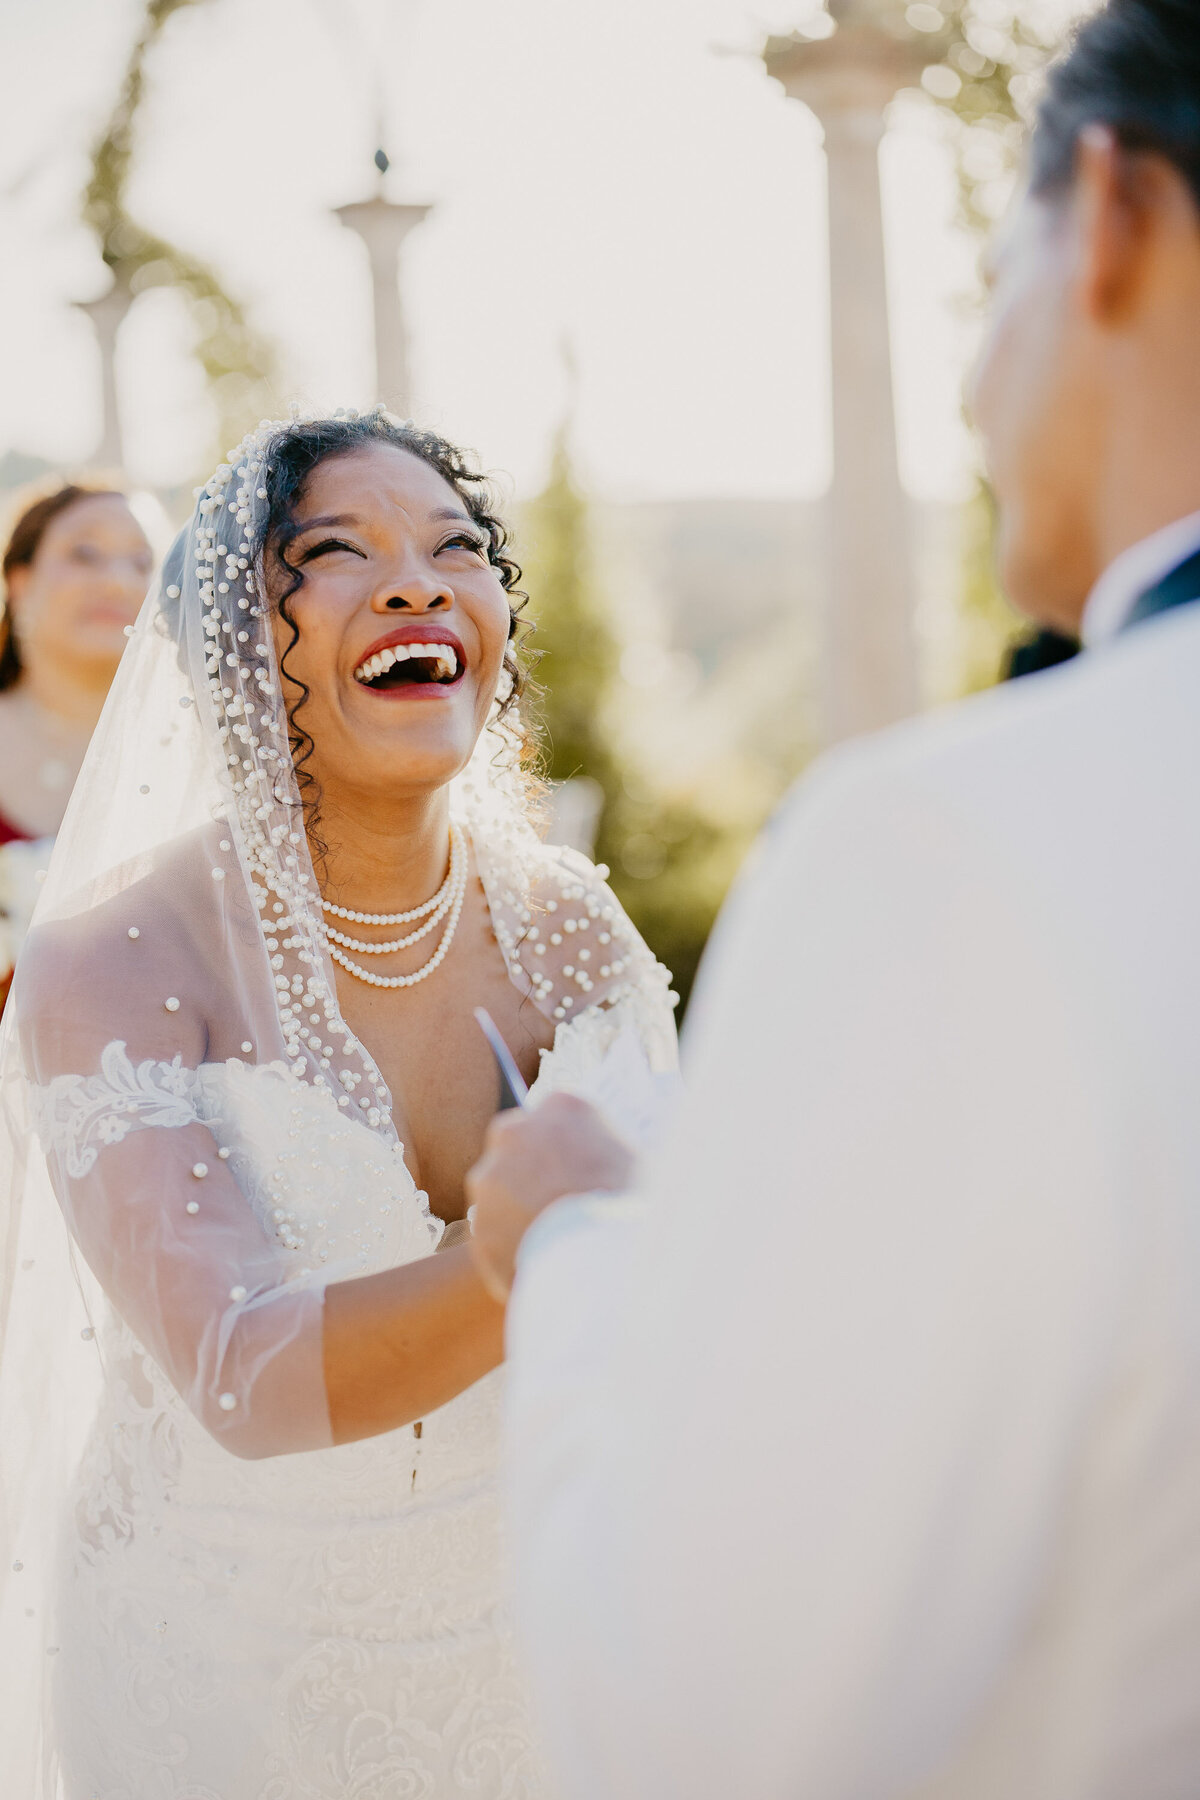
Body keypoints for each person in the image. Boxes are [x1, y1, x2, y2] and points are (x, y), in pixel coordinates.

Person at [466, 2, 1200, 1794]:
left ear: (1106, 214)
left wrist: (573, 1241)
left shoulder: (949, 851)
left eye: (990, 274)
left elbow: (692, 1727)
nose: (968, 381)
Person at [0, 410, 677, 1798]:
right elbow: (239, 1375)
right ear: (233, 645)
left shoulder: (576, 928)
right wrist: (529, 1248)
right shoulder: (110, 959)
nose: (421, 582)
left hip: (540, 1630)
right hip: (232, 1671)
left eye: (458, 549)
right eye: (335, 552)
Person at [0, 481, 154, 1001]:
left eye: (141, 562)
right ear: (18, 580)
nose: (116, 582)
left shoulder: (205, 760)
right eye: (84, 554)